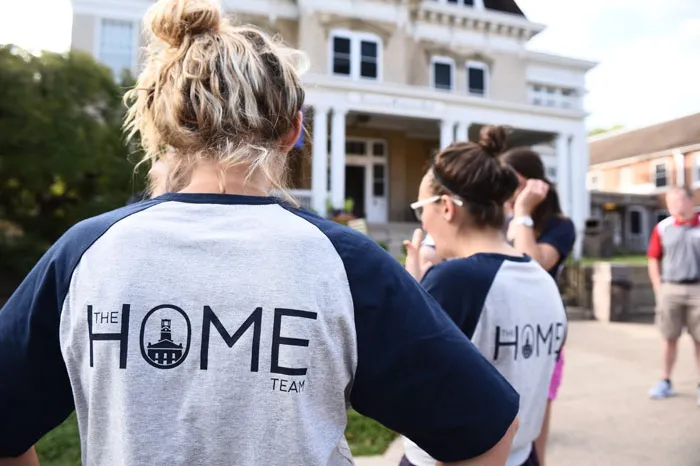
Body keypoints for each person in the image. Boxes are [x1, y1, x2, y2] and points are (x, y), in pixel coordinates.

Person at [0, 1, 520, 465]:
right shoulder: (343, 261)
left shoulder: (86, 254)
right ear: (293, 130)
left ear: (161, 125)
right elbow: (489, 433)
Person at [401, 127, 567, 466]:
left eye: (422, 209)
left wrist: (412, 294)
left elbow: (404, 384)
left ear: (446, 207)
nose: (424, 221)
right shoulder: (542, 279)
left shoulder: (455, 282)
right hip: (522, 456)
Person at [500, 147, 576, 465]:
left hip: (540, 328)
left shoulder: (560, 225)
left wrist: (523, 213)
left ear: (534, 184)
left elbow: (532, 264)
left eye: (512, 180)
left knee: (534, 416)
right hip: (501, 322)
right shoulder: (496, 219)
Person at [647, 186, 700, 406]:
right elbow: (653, 258)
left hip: (698, 289)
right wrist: (659, 286)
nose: (674, 206)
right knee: (669, 337)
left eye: (678, 200)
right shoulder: (663, 228)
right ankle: (665, 380)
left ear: (690, 201)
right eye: (670, 202)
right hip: (671, 289)